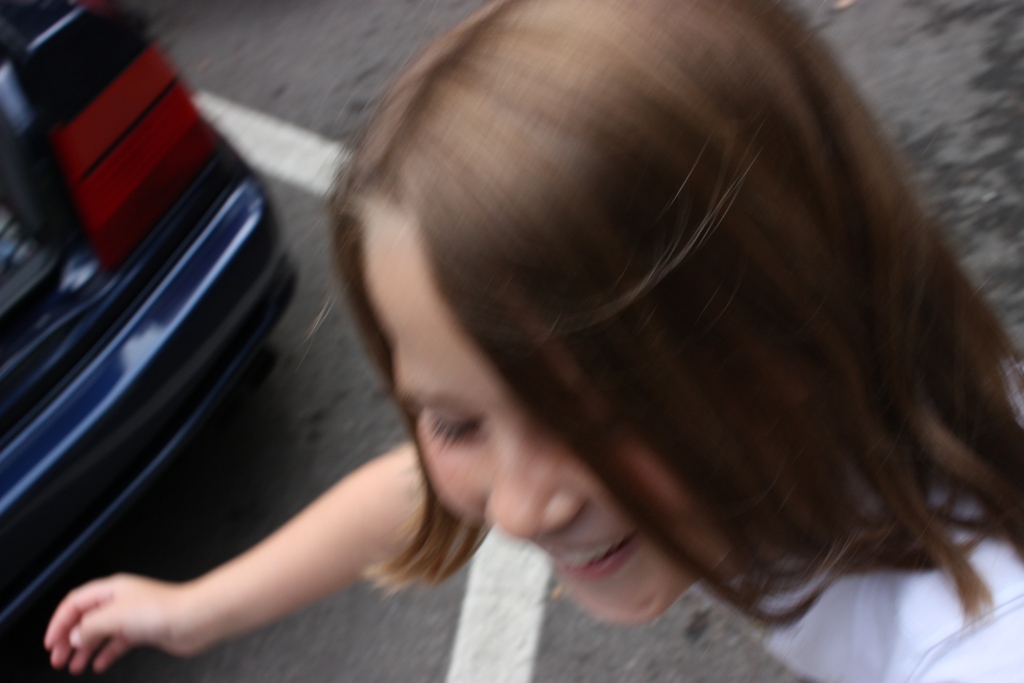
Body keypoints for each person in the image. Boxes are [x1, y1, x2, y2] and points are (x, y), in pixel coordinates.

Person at [44, 0, 1024, 680]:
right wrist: (193, 610)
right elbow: (409, 491)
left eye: (600, 413)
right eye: (457, 421)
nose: (518, 505)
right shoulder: (845, 410)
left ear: (795, 318)